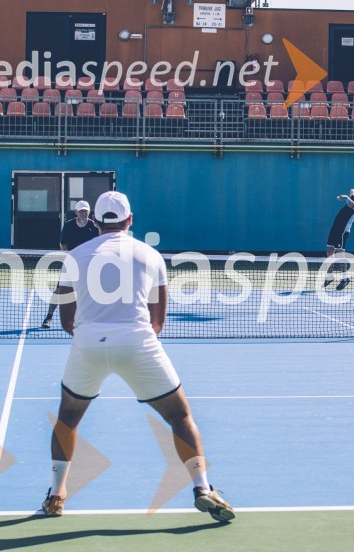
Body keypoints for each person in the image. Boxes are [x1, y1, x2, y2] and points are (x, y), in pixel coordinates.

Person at [41, 191, 234, 522]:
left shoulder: (74, 257)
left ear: (97, 222)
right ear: (130, 220)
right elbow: (157, 322)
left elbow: (65, 321)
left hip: (87, 344)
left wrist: (95, 339)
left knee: (68, 418)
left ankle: (57, 495)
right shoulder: (151, 256)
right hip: (139, 344)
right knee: (180, 416)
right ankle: (203, 488)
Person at [41, 201, 99, 329]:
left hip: (89, 265)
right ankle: (49, 317)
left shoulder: (94, 227)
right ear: (76, 212)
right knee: (60, 290)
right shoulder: (69, 226)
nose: (84, 213)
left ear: (89, 212)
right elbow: (63, 243)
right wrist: (69, 257)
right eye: (81, 211)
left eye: (86, 211)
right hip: (71, 263)